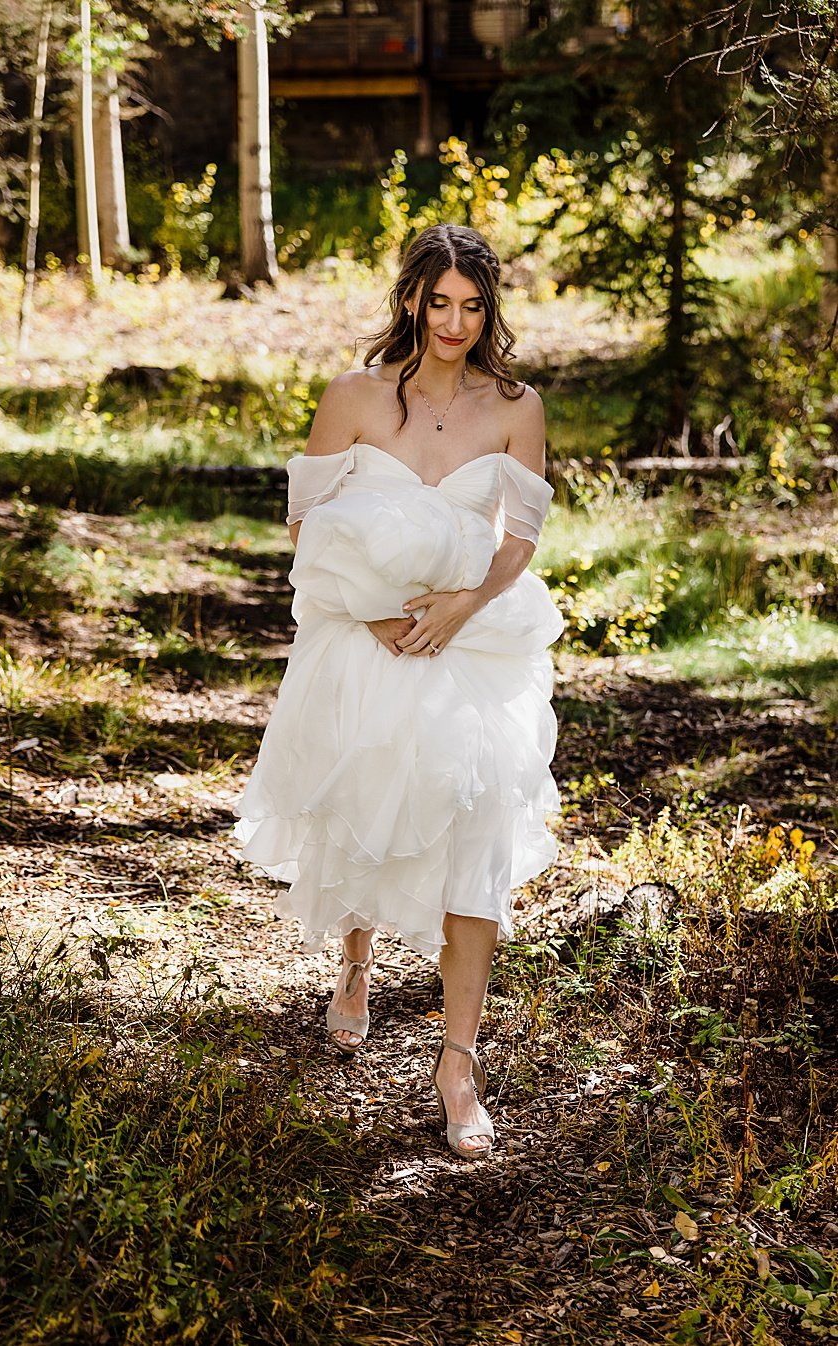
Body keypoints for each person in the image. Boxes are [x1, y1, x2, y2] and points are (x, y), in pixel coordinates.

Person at [233, 224, 564, 1160]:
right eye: (439, 301)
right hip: (362, 632)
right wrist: (372, 614)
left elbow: (520, 540)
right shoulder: (352, 397)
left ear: (489, 311)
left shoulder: (515, 405)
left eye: (473, 306)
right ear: (412, 299)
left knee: (472, 821)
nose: (454, 322)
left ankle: (457, 1063)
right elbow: (308, 525)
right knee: (366, 802)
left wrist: (461, 607)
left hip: (474, 640)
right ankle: (355, 963)